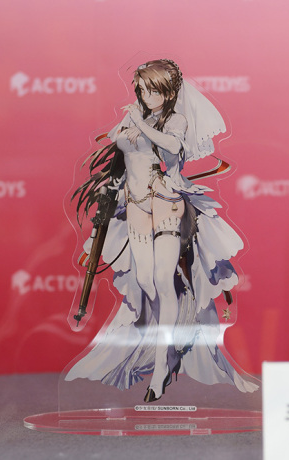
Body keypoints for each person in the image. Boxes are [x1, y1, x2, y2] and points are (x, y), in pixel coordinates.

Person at [65, 59, 257, 403]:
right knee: (145, 282)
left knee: (162, 280)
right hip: (135, 203)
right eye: (141, 89)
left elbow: (172, 147)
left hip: (166, 203)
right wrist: (118, 165)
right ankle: (167, 345)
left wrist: (139, 125)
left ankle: (159, 370)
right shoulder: (133, 116)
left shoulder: (176, 120)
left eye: (152, 90)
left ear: (169, 92)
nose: (145, 96)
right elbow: (118, 149)